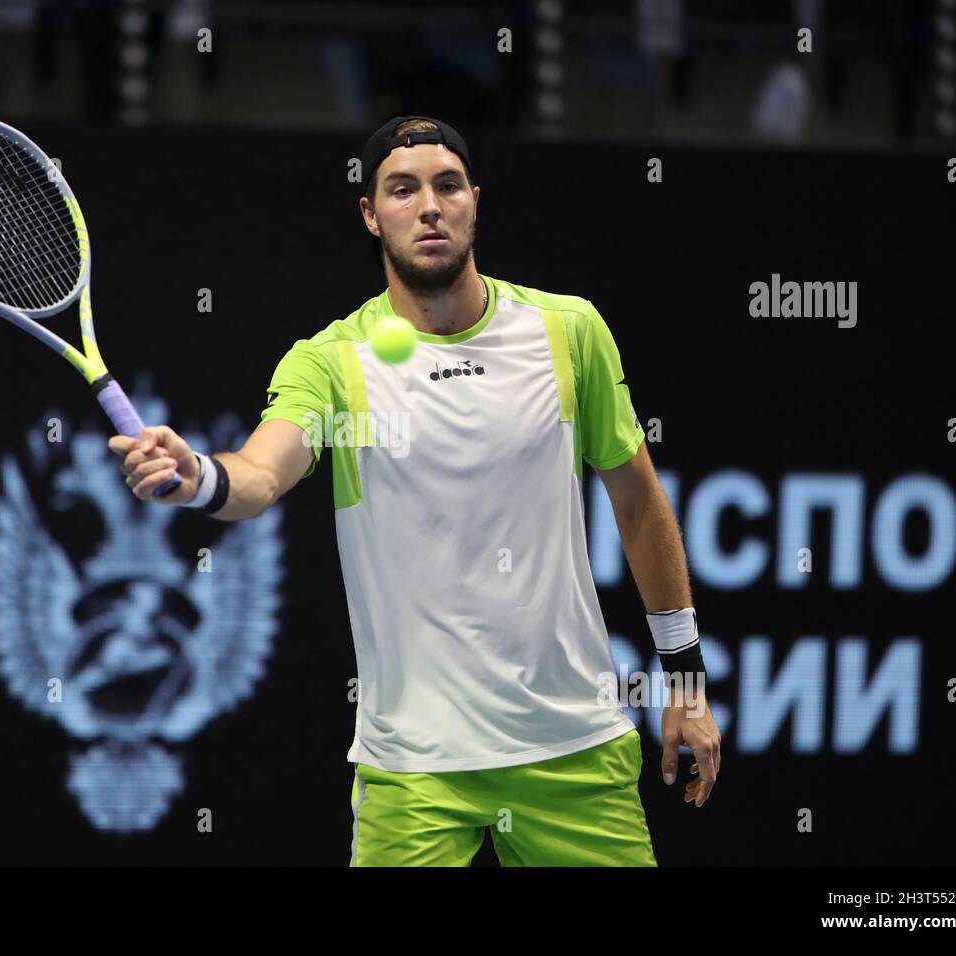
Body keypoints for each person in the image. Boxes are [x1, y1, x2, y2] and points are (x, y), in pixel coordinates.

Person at [108, 115, 721, 866]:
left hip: (574, 750)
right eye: (402, 189)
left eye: (447, 185)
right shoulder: (331, 362)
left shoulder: (568, 332)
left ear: (474, 201)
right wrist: (198, 476)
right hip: (412, 771)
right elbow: (262, 475)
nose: (428, 206)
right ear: (371, 213)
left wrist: (684, 679)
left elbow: (638, 502)